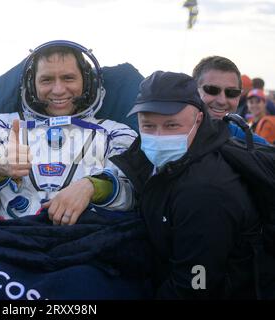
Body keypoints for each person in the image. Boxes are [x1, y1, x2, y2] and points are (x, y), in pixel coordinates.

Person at [111, 71, 264, 299]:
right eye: (148, 126)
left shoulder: (205, 192)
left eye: (172, 125)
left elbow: (196, 285)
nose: (159, 136)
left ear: (198, 120)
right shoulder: (164, 160)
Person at [0, 40, 137, 224]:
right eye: (47, 80)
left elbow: (133, 192)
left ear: (86, 81)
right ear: (31, 84)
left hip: (87, 238)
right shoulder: (3, 125)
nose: (58, 90)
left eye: (68, 78)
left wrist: (92, 187)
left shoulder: (115, 133)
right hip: (12, 237)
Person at [192, 56, 267, 144]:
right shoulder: (176, 131)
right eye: (212, 90)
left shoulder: (242, 136)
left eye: (232, 92)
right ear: (193, 90)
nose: (222, 101)